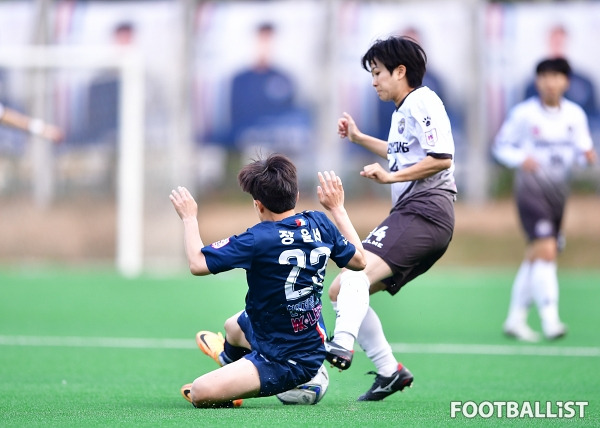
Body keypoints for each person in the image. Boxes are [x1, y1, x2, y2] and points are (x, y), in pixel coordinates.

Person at [169, 153, 366, 408]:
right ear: (295, 196)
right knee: (233, 326)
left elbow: (197, 264)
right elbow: (360, 261)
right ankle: (230, 364)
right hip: (302, 338)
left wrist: (189, 217)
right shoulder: (319, 222)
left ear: (258, 204)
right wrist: (338, 209)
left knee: (200, 391)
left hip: (287, 360)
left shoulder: (257, 239)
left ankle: (233, 388)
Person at [324, 36, 457, 401]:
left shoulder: (423, 100)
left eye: (378, 72)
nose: (374, 81)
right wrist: (359, 138)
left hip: (426, 210)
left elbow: (442, 157)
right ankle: (389, 371)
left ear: (401, 72)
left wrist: (390, 177)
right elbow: (400, 153)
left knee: (354, 274)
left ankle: (341, 344)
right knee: (342, 290)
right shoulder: (402, 112)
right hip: (415, 215)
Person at [493, 58, 597, 342]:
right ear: (538, 81)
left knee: (537, 254)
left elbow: (582, 151)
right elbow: (500, 146)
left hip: (558, 194)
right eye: (545, 77)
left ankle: (515, 318)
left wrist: (587, 157)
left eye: (557, 76)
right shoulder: (524, 114)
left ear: (566, 82)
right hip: (530, 192)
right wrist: (519, 158)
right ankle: (551, 320)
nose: (551, 82)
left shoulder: (575, 115)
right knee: (547, 250)